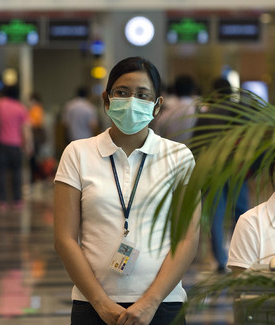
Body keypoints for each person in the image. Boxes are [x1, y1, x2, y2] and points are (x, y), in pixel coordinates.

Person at [54, 56, 200, 325]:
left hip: (163, 305)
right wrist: (102, 304)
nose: (132, 101)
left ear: (157, 106)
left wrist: (150, 302)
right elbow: (64, 238)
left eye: (143, 95)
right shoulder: (77, 153)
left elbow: (187, 238)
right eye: (122, 92)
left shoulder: (179, 156)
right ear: (106, 99)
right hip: (92, 306)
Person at [193, 77, 249, 273]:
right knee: (242, 213)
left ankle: (220, 260)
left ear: (215, 93)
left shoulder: (208, 113)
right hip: (237, 167)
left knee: (216, 213)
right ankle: (242, 257)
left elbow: (197, 143)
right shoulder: (241, 111)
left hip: (213, 168)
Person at [0, 85, 33, 211]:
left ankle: (2, 201)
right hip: (15, 145)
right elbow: (26, 129)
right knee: (17, 172)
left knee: (0, 172)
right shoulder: (20, 107)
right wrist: (28, 146)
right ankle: (17, 200)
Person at [152, 74, 198, 144]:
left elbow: (156, 139)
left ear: (175, 90)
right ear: (193, 90)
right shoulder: (200, 110)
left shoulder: (164, 115)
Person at [28, 92, 46, 184]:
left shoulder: (36, 109)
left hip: (35, 137)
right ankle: (37, 177)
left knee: (34, 158)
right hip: (35, 137)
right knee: (34, 158)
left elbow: (36, 123)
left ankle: (38, 177)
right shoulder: (36, 108)